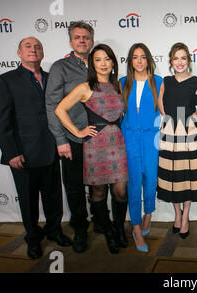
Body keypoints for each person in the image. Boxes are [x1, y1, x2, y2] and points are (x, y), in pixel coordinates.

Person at [0, 37, 72, 259]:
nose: (33, 50)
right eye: (28, 46)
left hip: (52, 150)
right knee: (27, 200)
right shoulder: (5, 80)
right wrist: (11, 152)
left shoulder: (51, 78)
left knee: (53, 196)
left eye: (37, 47)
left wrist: (62, 141)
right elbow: (1, 121)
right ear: (19, 52)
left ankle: (54, 230)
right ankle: (33, 238)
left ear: (43, 53)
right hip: (23, 153)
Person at [55, 44, 129, 254]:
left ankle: (119, 228)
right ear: (92, 64)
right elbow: (60, 109)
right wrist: (77, 132)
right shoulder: (85, 87)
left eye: (107, 59)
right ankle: (108, 232)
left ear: (113, 62)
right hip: (95, 146)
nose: (103, 63)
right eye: (98, 59)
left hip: (117, 143)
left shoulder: (119, 86)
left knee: (120, 192)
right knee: (98, 191)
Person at [45, 21, 97, 253]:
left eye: (86, 37)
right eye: (78, 37)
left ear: (92, 40)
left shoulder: (100, 64)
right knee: (75, 187)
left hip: (99, 139)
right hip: (73, 140)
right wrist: (60, 139)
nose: (82, 40)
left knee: (100, 185)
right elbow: (52, 105)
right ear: (71, 41)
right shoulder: (60, 67)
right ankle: (80, 229)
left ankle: (101, 222)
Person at [157, 42, 197, 239]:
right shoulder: (166, 81)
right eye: (176, 58)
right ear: (171, 61)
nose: (179, 62)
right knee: (171, 175)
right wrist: (168, 120)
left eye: (183, 58)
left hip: (189, 133)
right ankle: (177, 214)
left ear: (188, 61)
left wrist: (195, 118)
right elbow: (160, 103)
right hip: (169, 132)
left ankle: (186, 217)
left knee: (187, 175)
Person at [120, 43, 163, 252]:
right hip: (129, 138)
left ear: (148, 60)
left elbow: (167, 109)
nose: (139, 61)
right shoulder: (122, 83)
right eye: (135, 57)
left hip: (152, 138)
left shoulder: (158, 82)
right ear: (130, 61)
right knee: (134, 182)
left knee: (151, 178)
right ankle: (136, 226)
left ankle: (149, 214)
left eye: (143, 57)